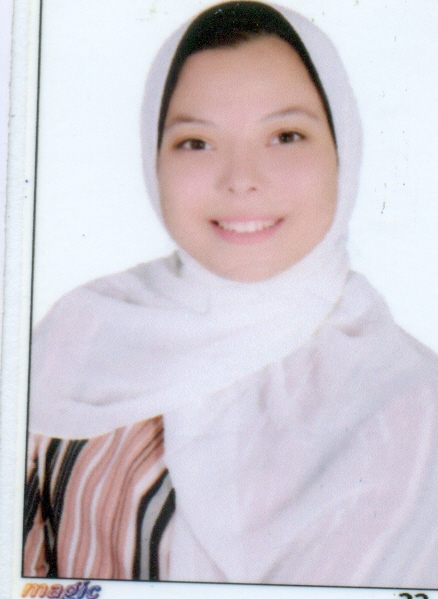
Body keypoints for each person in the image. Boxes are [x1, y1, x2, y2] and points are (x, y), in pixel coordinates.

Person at [24, 0, 438, 587]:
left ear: (342, 149)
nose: (241, 179)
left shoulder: (409, 410)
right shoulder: (81, 333)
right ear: (153, 157)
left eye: (285, 136)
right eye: (196, 142)